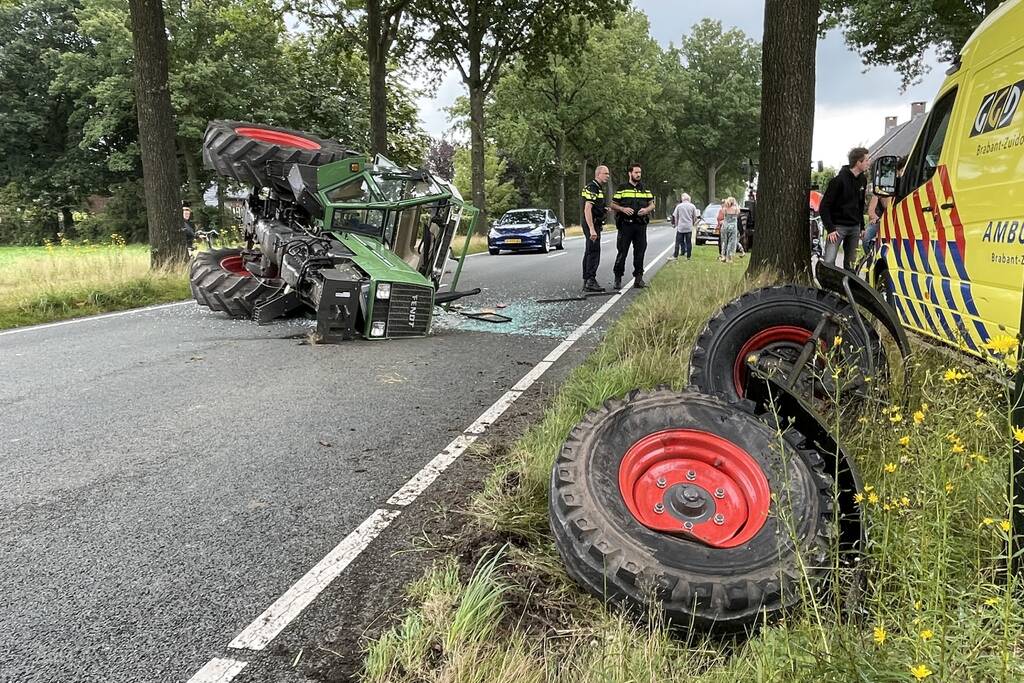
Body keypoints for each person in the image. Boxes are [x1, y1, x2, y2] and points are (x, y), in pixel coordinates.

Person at [820, 147, 870, 270]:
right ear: (858, 162)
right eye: (867, 160)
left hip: (854, 227)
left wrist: (862, 226)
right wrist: (830, 228)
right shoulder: (838, 181)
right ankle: (829, 287)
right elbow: (824, 206)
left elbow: (860, 204)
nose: (869, 163)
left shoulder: (863, 180)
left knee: (851, 264)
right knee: (829, 262)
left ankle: (848, 288)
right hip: (838, 228)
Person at [610, 163, 655, 289]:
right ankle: (618, 278)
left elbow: (652, 204)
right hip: (625, 225)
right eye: (636, 172)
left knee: (640, 253)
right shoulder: (622, 188)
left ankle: (638, 279)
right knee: (622, 252)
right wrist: (622, 209)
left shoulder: (645, 188)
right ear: (630, 173)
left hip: (640, 226)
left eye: (640, 172)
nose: (638, 174)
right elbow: (613, 205)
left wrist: (647, 210)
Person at [580, 165, 610, 292]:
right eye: (606, 174)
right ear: (598, 174)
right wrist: (592, 228)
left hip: (594, 222)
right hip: (591, 223)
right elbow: (587, 209)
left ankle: (587, 280)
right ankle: (590, 281)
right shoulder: (593, 187)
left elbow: (595, 206)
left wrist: (604, 210)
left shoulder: (597, 187)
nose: (608, 176)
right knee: (593, 252)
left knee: (589, 251)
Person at [669, 193, 699, 261]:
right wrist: (693, 223)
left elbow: (675, 216)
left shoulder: (679, 206)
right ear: (689, 199)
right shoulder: (692, 206)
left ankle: (675, 256)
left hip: (681, 227)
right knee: (688, 242)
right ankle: (688, 256)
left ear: (683, 199)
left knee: (678, 241)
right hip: (688, 227)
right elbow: (695, 217)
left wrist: (675, 224)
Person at [717, 197, 741, 263]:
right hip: (733, 226)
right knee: (731, 241)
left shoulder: (724, 209)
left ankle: (723, 256)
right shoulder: (736, 209)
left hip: (725, 226)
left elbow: (722, 214)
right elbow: (738, 212)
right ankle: (729, 257)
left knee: (724, 241)